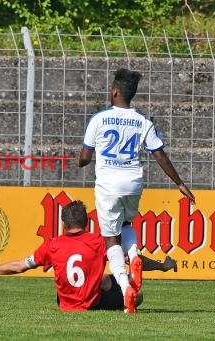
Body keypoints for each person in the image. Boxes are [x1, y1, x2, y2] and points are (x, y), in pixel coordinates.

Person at [78, 68, 195, 313]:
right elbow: (160, 155)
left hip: (109, 185)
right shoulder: (143, 121)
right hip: (133, 183)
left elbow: (85, 157)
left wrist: (81, 161)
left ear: (115, 91)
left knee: (111, 238)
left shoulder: (99, 119)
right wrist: (180, 183)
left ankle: (125, 286)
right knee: (127, 226)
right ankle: (134, 258)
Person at [0, 200, 143, 312]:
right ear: (86, 223)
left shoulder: (52, 244)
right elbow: (123, 258)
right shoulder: (98, 241)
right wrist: (148, 262)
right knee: (138, 294)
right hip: (91, 304)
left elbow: (20, 266)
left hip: (64, 303)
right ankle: (123, 288)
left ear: (64, 224)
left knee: (103, 278)